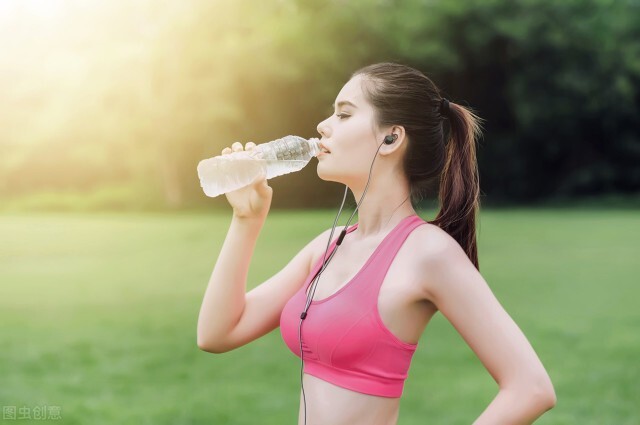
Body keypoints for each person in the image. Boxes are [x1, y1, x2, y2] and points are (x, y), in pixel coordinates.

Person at [197, 62, 556, 425]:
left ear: (391, 138)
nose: (323, 126)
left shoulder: (428, 252)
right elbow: (217, 332)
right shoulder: (328, 247)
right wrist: (246, 221)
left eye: (344, 114)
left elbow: (531, 388)